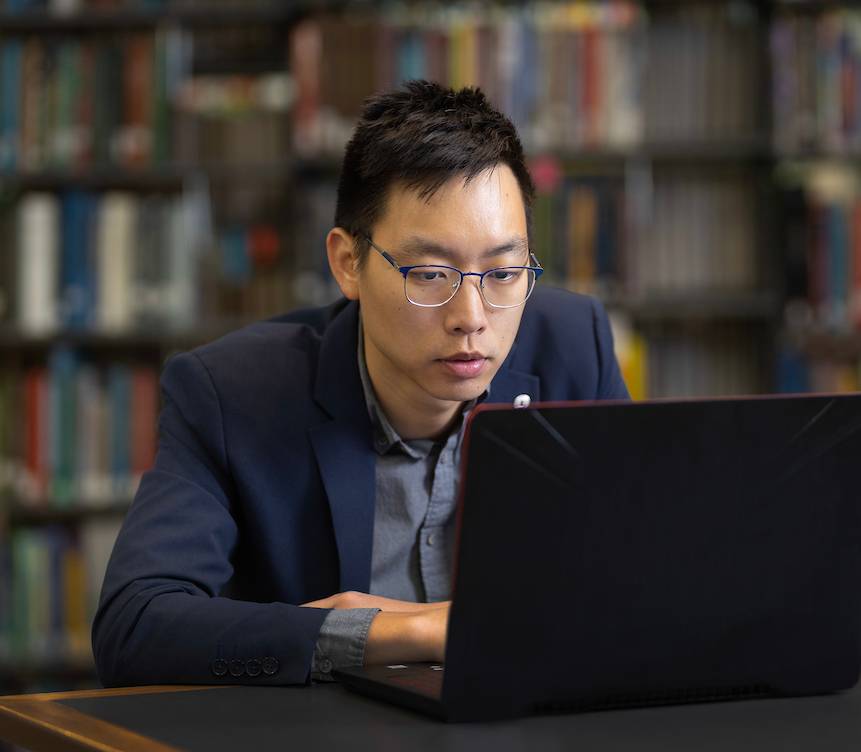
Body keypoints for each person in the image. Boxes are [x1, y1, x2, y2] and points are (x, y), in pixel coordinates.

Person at [92, 80, 631, 687]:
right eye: (430, 273)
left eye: (504, 272)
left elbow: (645, 577)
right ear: (348, 263)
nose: (473, 315)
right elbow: (133, 630)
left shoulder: (573, 348)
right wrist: (404, 631)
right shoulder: (230, 394)